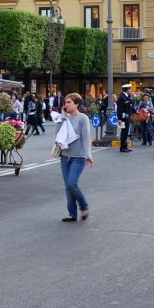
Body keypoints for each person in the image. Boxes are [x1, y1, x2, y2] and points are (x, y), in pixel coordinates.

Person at [56, 93, 94, 222]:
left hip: (78, 157)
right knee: (68, 186)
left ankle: (84, 207)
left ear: (76, 104)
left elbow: (86, 138)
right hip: (65, 156)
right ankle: (72, 214)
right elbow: (58, 134)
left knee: (72, 183)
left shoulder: (82, 118)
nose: (66, 105)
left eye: (69, 102)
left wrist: (88, 155)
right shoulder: (65, 118)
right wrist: (62, 117)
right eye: (65, 102)